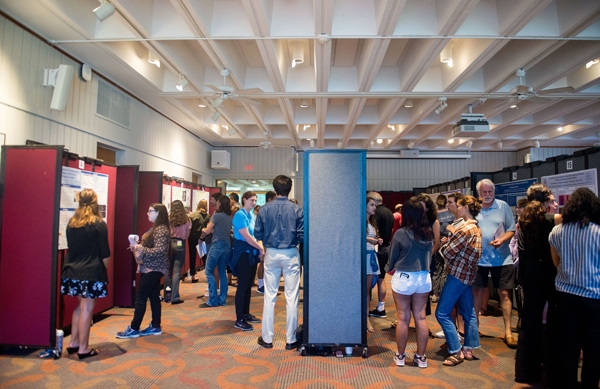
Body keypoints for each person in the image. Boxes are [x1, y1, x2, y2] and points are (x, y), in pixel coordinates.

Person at [548, 187, 600, 389]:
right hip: (594, 297)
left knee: (569, 348)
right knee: (593, 350)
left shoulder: (557, 232)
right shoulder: (597, 232)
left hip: (565, 296)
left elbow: (555, 263)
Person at [514, 185, 561, 383]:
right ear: (545, 201)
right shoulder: (555, 220)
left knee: (529, 321)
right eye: (552, 200)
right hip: (550, 273)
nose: (555, 204)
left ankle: (525, 371)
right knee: (554, 322)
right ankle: (553, 372)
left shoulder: (522, 220)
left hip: (529, 274)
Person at [255, 175, 304, 350]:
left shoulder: (264, 209)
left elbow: (258, 233)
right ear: (289, 189)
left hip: (272, 253)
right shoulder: (298, 209)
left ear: (274, 190)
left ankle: (267, 338)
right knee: (292, 297)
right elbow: (302, 235)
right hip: (291, 253)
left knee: (270, 296)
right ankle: (290, 340)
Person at [61, 189, 110, 359]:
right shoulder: (99, 224)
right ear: (95, 202)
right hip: (90, 272)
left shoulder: (72, 223)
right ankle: (83, 348)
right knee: (87, 308)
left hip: (71, 271)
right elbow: (105, 254)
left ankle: (73, 342)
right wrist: (102, 271)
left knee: (79, 307)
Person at [435, 195, 483, 366]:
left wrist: (445, 243)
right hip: (468, 276)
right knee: (468, 312)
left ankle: (456, 350)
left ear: (465, 208)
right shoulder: (475, 229)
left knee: (441, 312)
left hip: (457, 275)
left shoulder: (464, 230)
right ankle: (468, 348)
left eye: (459, 206)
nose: (456, 208)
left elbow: (447, 253)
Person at [388, 198, 434, 368]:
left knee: (403, 318)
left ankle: (400, 356)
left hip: (404, 278)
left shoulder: (401, 233)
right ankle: (421, 358)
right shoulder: (429, 232)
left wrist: (389, 268)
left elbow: (393, 257)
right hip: (423, 277)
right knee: (421, 317)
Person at [473, 179, 517, 348]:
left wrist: (503, 240)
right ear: (479, 193)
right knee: (477, 292)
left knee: (504, 293)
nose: (487, 195)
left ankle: (508, 331)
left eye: (490, 192)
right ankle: (474, 328)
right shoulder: (474, 207)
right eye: (484, 192)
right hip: (479, 259)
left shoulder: (503, 206)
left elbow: (511, 229)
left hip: (502, 258)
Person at [117, 203, 170, 339]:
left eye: (150, 211)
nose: (147, 213)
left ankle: (134, 328)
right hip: (153, 267)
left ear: (158, 213)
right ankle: (155, 326)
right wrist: (138, 246)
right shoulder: (157, 228)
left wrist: (140, 248)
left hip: (153, 268)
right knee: (153, 297)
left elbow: (160, 251)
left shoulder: (161, 230)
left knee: (140, 297)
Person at [230, 191, 265, 331]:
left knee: (249, 285)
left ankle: (245, 313)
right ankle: (239, 319)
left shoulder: (251, 215)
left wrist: (260, 246)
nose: (254, 203)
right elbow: (247, 236)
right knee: (243, 286)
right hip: (243, 254)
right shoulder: (239, 215)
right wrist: (261, 248)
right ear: (244, 200)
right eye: (251, 200)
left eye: (255, 200)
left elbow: (256, 234)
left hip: (251, 253)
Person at [200, 195, 233, 308]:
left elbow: (208, 230)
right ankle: (222, 299)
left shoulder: (216, 215)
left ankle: (212, 300)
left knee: (208, 271)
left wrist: (203, 230)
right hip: (227, 245)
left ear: (220, 203)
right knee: (222, 272)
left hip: (217, 244)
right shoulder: (229, 216)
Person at [367, 192, 394, 319]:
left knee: (372, 282)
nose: (373, 207)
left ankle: (373, 309)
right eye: (371, 205)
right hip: (385, 248)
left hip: (377, 250)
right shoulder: (389, 212)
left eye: (373, 204)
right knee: (381, 279)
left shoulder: (375, 216)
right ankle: (380, 307)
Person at [163, 200, 191, 304]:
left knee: (168, 271)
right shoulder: (186, 219)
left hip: (169, 243)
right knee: (177, 271)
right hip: (180, 243)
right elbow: (187, 235)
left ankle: (167, 296)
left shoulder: (168, 219)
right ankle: (174, 297)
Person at [365, 195, 384, 333]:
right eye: (372, 205)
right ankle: (362, 319)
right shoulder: (359, 221)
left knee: (367, 291)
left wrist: (377, 240)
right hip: (363, 257)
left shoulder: (372, 222)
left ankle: (365, 319)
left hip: (371, 257)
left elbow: (372, 238)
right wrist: (369, 240)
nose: (374, 207)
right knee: (362, 291)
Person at [431, 194, 455, 302]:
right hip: (448, 243)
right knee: (446, 269)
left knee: (437, 268)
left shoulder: (434, 215)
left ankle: (435, 293)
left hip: (437, 242)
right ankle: (443, 293)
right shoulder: (452, 215)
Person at [257, 190, 276, 294]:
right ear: (269, 199)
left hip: (268, 240)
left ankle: (265, 284)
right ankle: (261, 285)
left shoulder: (267, 210)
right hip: (264, 240)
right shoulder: (264, 210)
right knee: (263, 263)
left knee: (268, 263)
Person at [188, 199, 210, 282]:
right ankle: (208, 275)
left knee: (192, 256)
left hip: (193, 236)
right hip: (202, 237)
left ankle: (192, 276)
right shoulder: (208, 216)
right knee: (204, 256)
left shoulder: (192, 215)